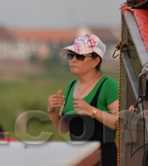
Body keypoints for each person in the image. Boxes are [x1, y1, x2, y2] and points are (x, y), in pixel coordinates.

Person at [47, 34, 119, 166]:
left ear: (95, 61)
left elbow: (120, 123)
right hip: (79, 159)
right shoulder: (70, 87)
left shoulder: (109, 86)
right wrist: (52, 112)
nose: (73, 60)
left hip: (103, 160)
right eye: (71, 55)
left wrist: (92, 111)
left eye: (80, 56)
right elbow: (63, 129)